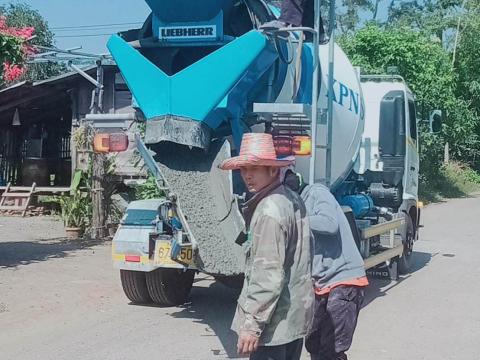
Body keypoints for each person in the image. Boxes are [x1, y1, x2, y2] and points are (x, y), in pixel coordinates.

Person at [219, 133, 314, 360]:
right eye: (243, 169)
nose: (247, 176)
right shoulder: (291, 198)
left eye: (255, 168)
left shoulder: (269, 210)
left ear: (272, 170)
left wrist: (252, 325)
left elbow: (267, 275)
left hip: (273, 326)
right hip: (292, 319)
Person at [284, 170, 368, 360]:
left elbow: (330, 224)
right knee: (313, 342)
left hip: (344, 280)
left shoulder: (317, 193)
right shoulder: (292, 208)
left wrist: (294, 220)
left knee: (331, 349)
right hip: (321, 282)